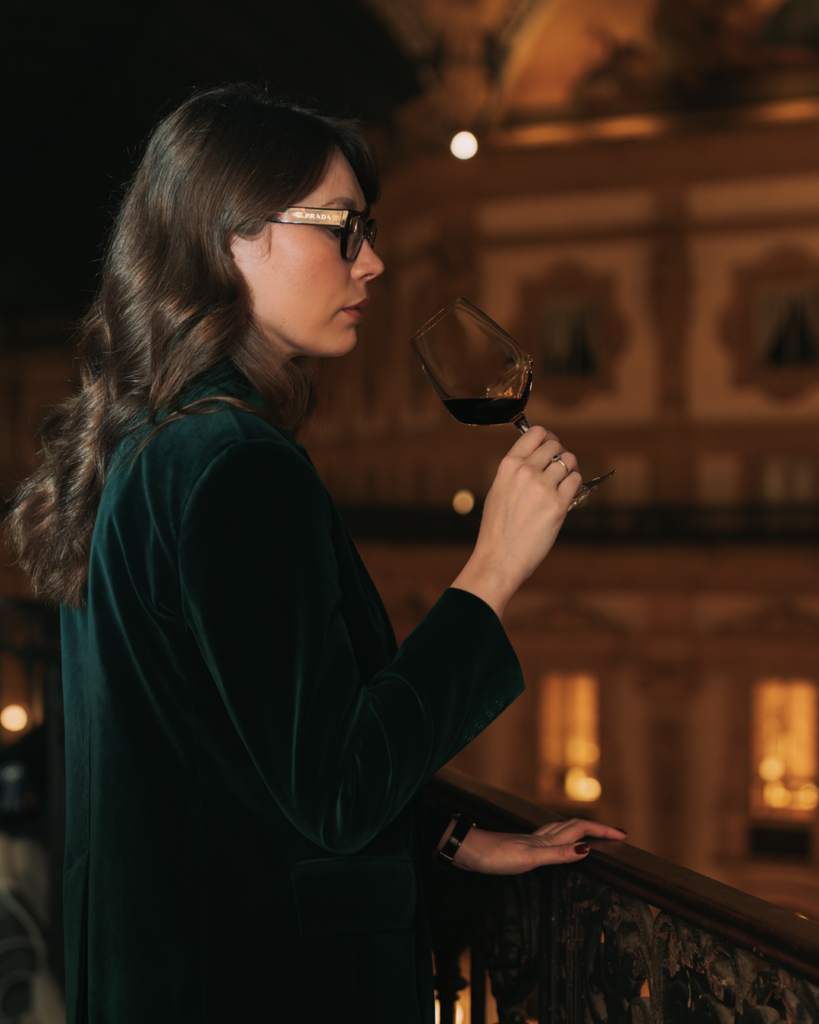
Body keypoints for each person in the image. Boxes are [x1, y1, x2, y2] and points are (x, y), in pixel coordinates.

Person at [8, 83, 625, 1024]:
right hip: (257, 982)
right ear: (229, 237)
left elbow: (235, 754)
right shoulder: (237, 466)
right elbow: (335, 789)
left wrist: (451, 836)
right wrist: (493, 568)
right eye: (342, 228)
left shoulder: (152, 442)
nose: (372, 262)